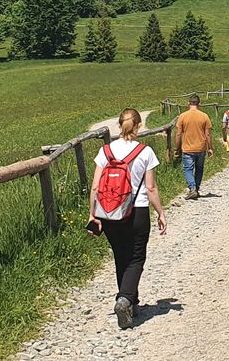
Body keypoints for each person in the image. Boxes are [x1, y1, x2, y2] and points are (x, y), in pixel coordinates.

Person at [88, 109, 168, 329]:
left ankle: (132, 302)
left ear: (119, 125)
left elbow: (95, 186)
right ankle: (124, 299)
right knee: (136, 258)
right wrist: (161, 212)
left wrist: (92, 215)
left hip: (109, 212)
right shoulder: (145, 152)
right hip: (138, 210)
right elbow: (151, 188)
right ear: (139, 126)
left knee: (121, 256)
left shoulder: (105, 151)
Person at [176, 93, 214, 199]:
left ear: (189, 103)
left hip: (187, 148)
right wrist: (210, 148)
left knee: (188, 169)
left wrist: (177, 148)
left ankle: (192, 188)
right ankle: (196, 189)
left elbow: (178, 134)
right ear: (199, 104)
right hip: (201, 147)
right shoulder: (204, 116)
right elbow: (208, 134)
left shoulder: (183, 116)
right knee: (199, 169)